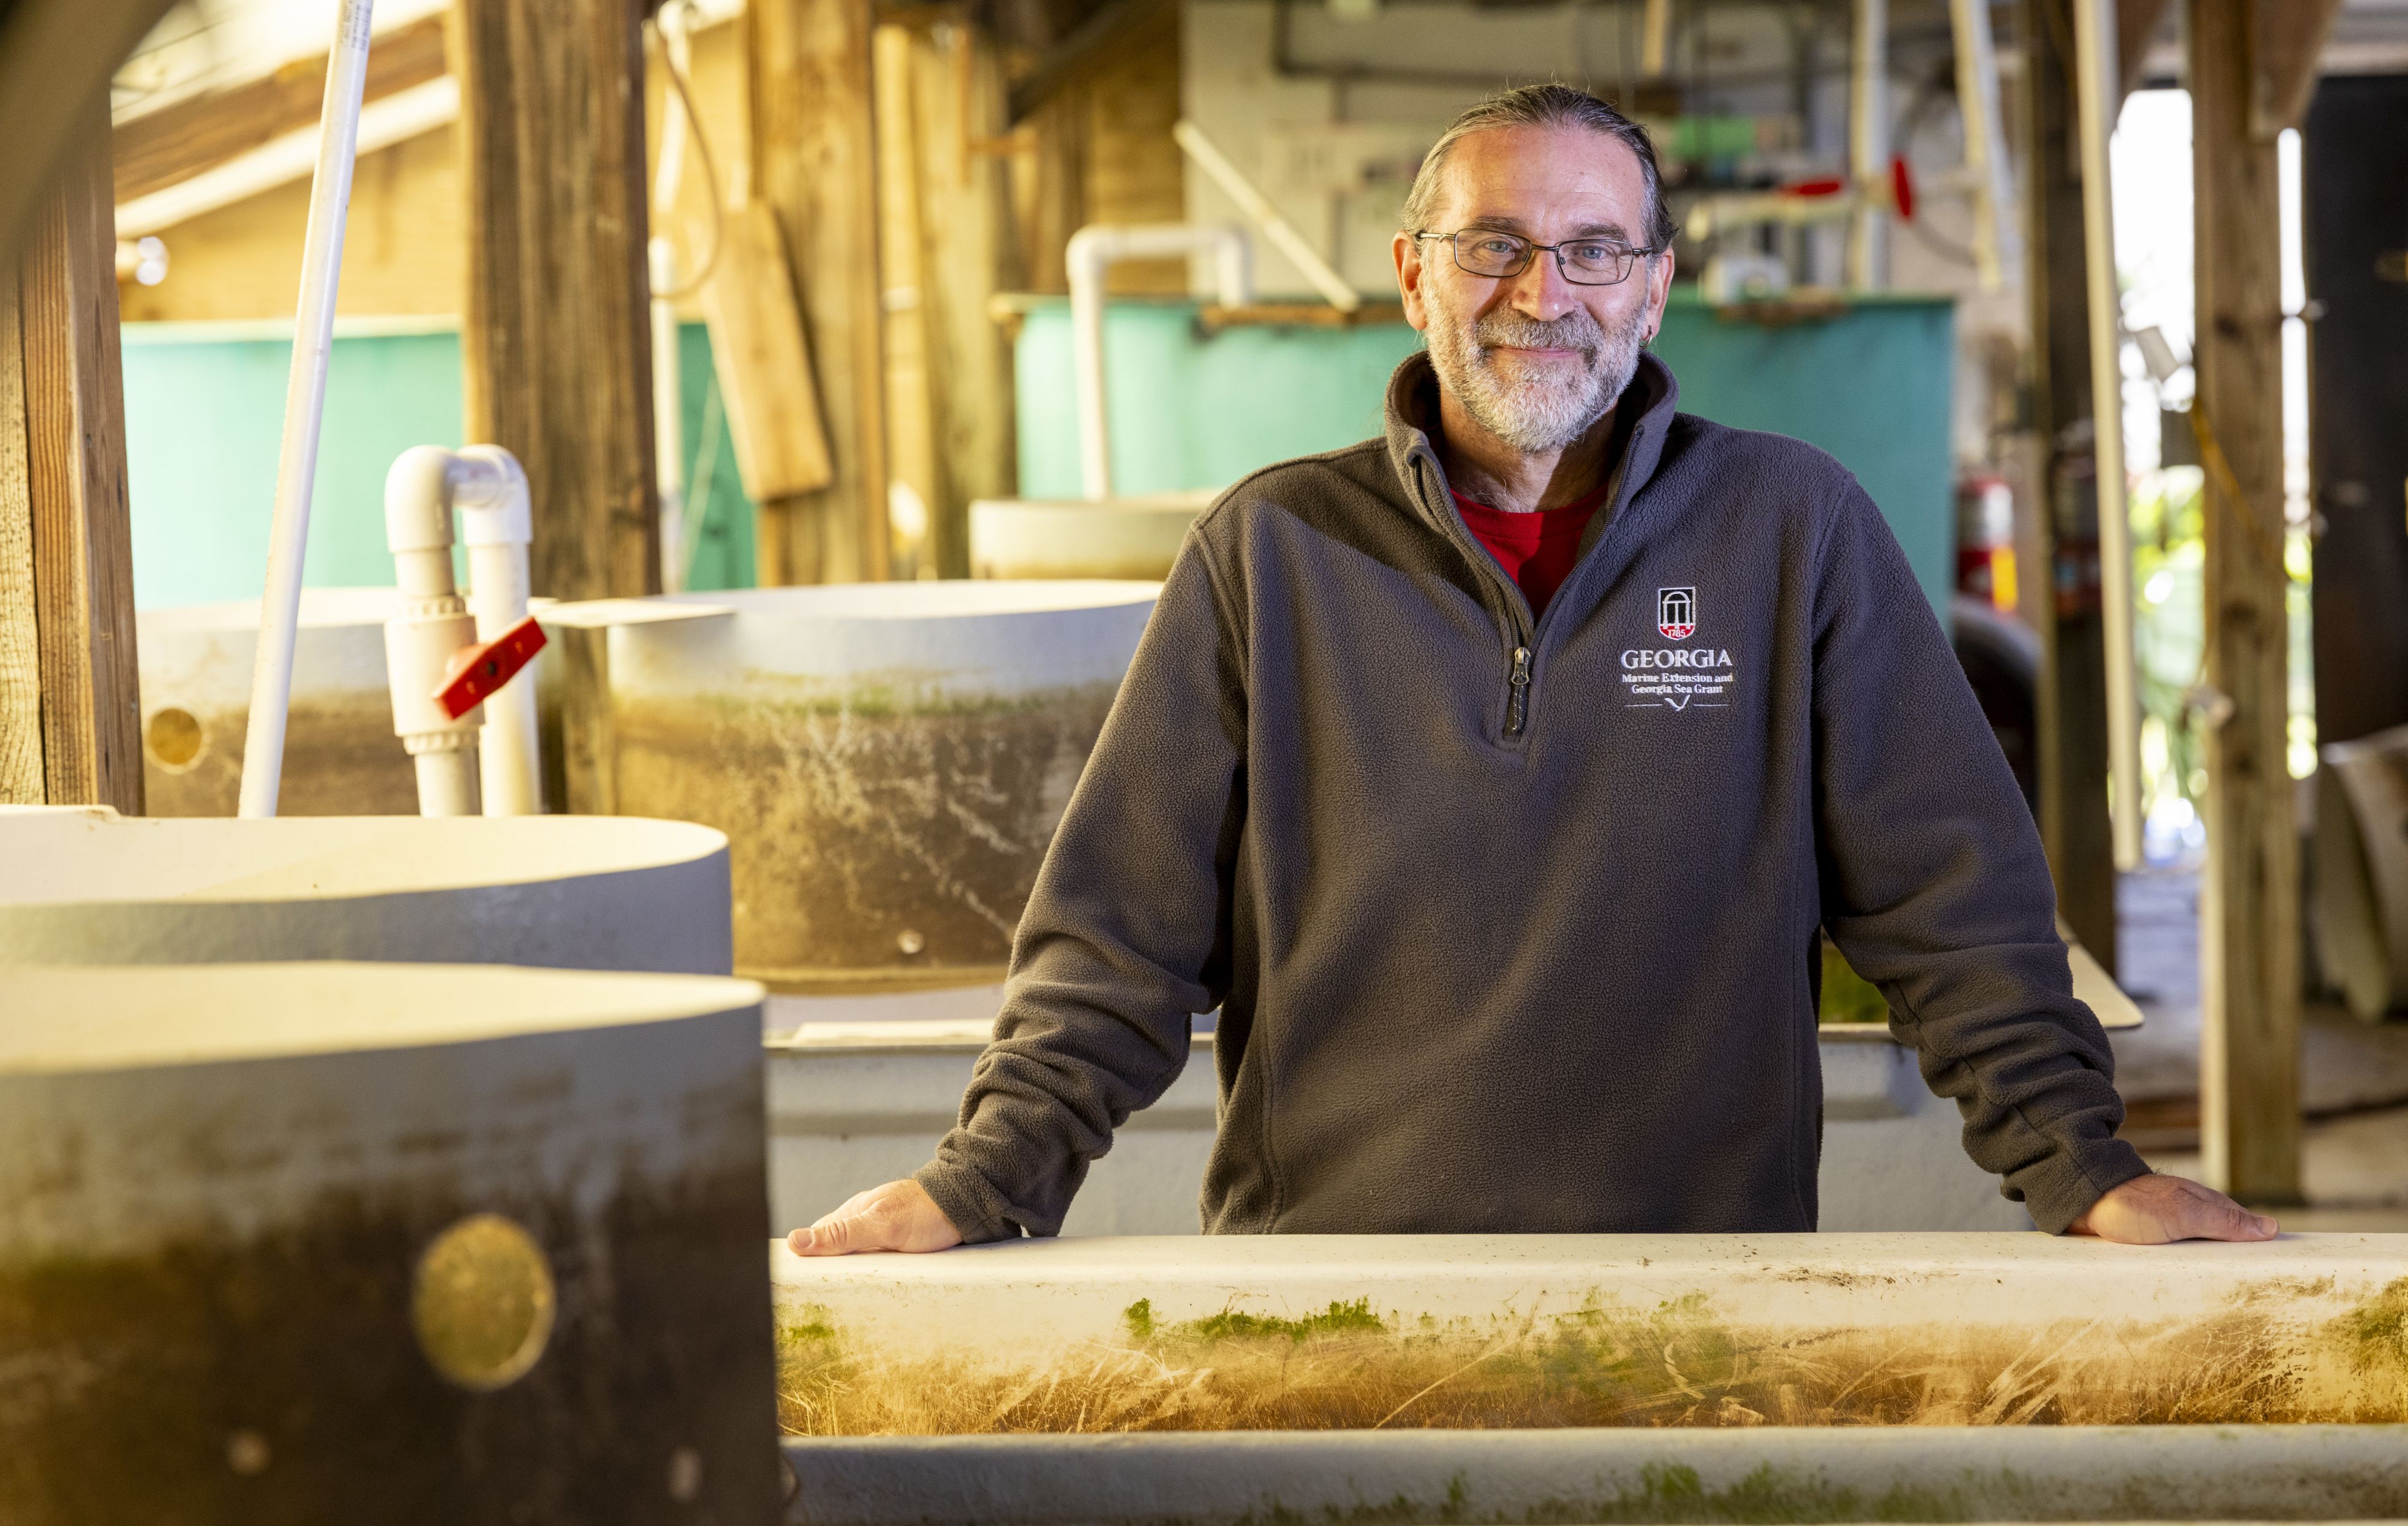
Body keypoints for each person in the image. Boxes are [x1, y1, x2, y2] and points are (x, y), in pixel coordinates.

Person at [789, 84, 2274, 1256]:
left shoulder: (1793, 531)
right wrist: (984, 1180)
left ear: (1651, 287)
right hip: (1324, 1293)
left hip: (1709, 1289)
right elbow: (1113, 943)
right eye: (1491, 243)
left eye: (1592, 251)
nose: (1539, 291)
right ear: (1413, 278)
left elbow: (1957, 908)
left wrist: (2082, 1167)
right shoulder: (1270, 553)